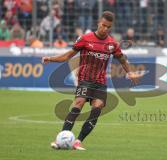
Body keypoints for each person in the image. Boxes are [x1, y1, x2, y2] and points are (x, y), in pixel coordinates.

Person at [42, 11, 139, 150]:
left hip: (100, 83)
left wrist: (131, 73)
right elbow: (67, 56)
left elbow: (122, 59)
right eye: (103, 25)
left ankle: (78, 141)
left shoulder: (112, 44)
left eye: (108, 27)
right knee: (79, 103)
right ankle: (60, 140)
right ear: (99, 22)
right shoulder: (85, 39)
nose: (105, 29)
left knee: (97, 109)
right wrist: (50, 59)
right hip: (85, 80)